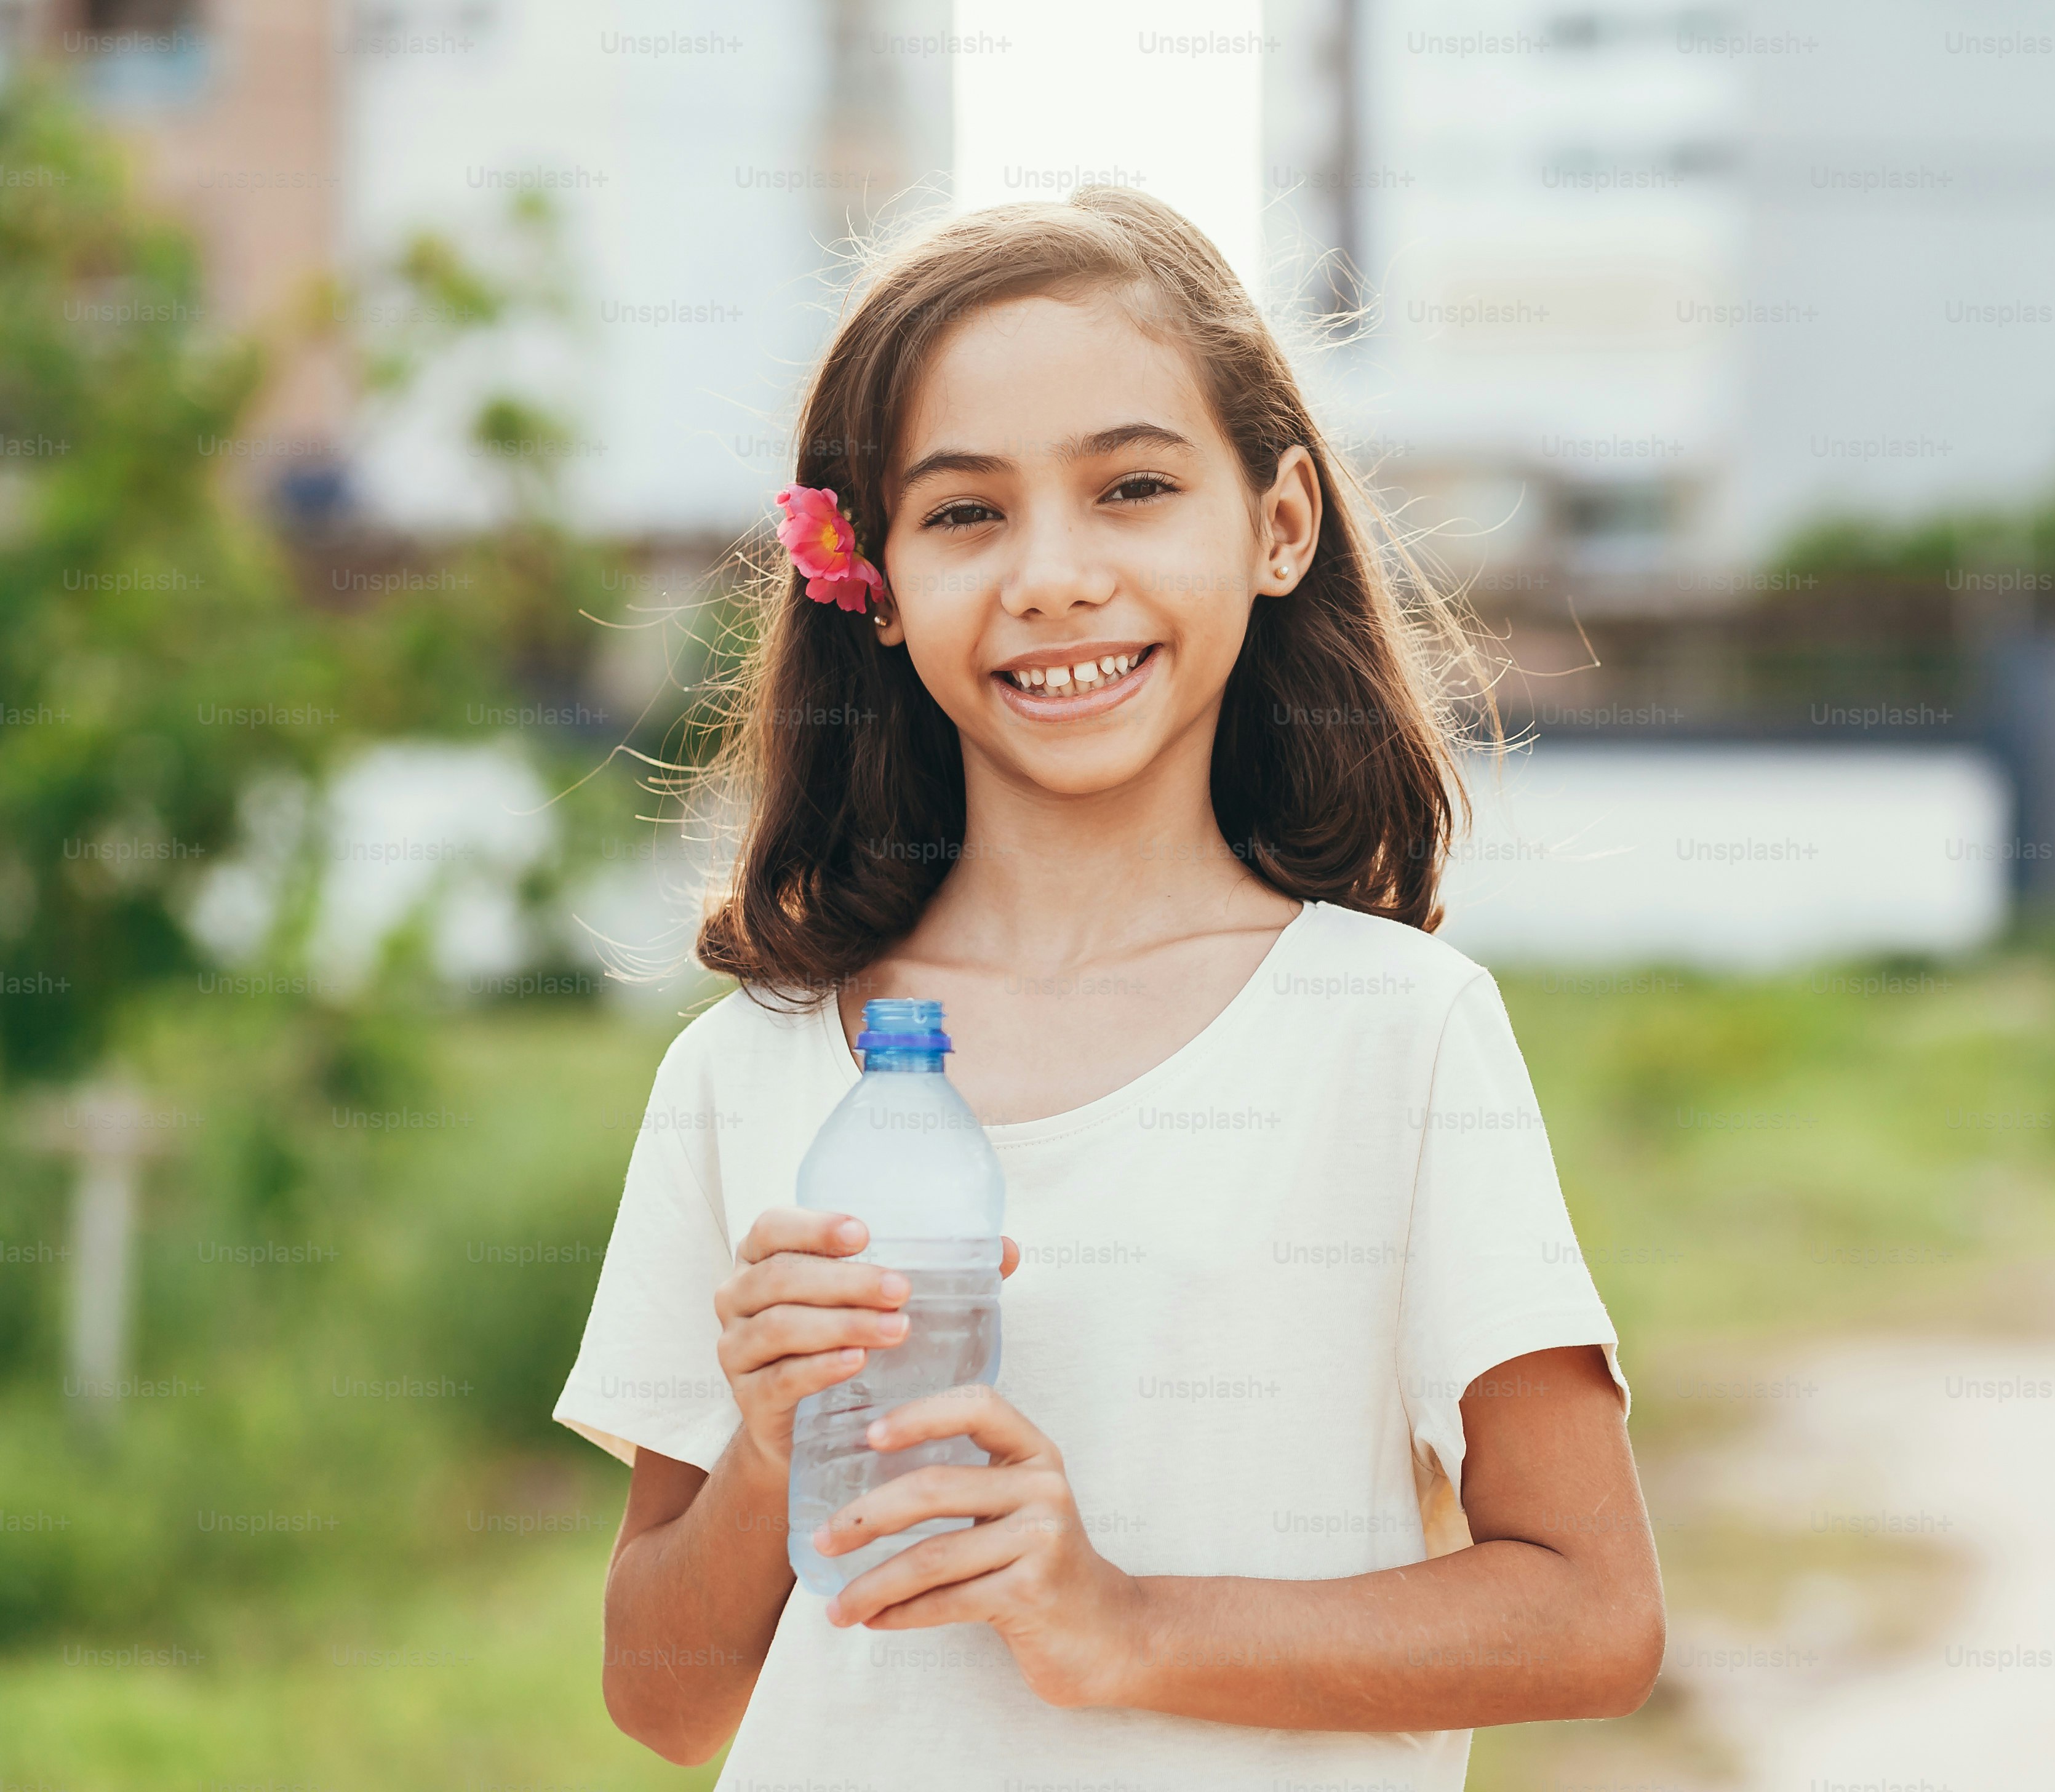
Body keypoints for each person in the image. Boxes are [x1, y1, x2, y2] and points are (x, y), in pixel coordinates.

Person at [554, 186, 1663, 1789]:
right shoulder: (747, 1074)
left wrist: (1124, 1621)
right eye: (965, 513)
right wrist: (773, 1450)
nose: (1054, 576)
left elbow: (1591, 1618)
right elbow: (668, 1702)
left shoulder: (1398, 1040)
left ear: (1279, 523)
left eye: (1132, 487)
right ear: (868, 577)